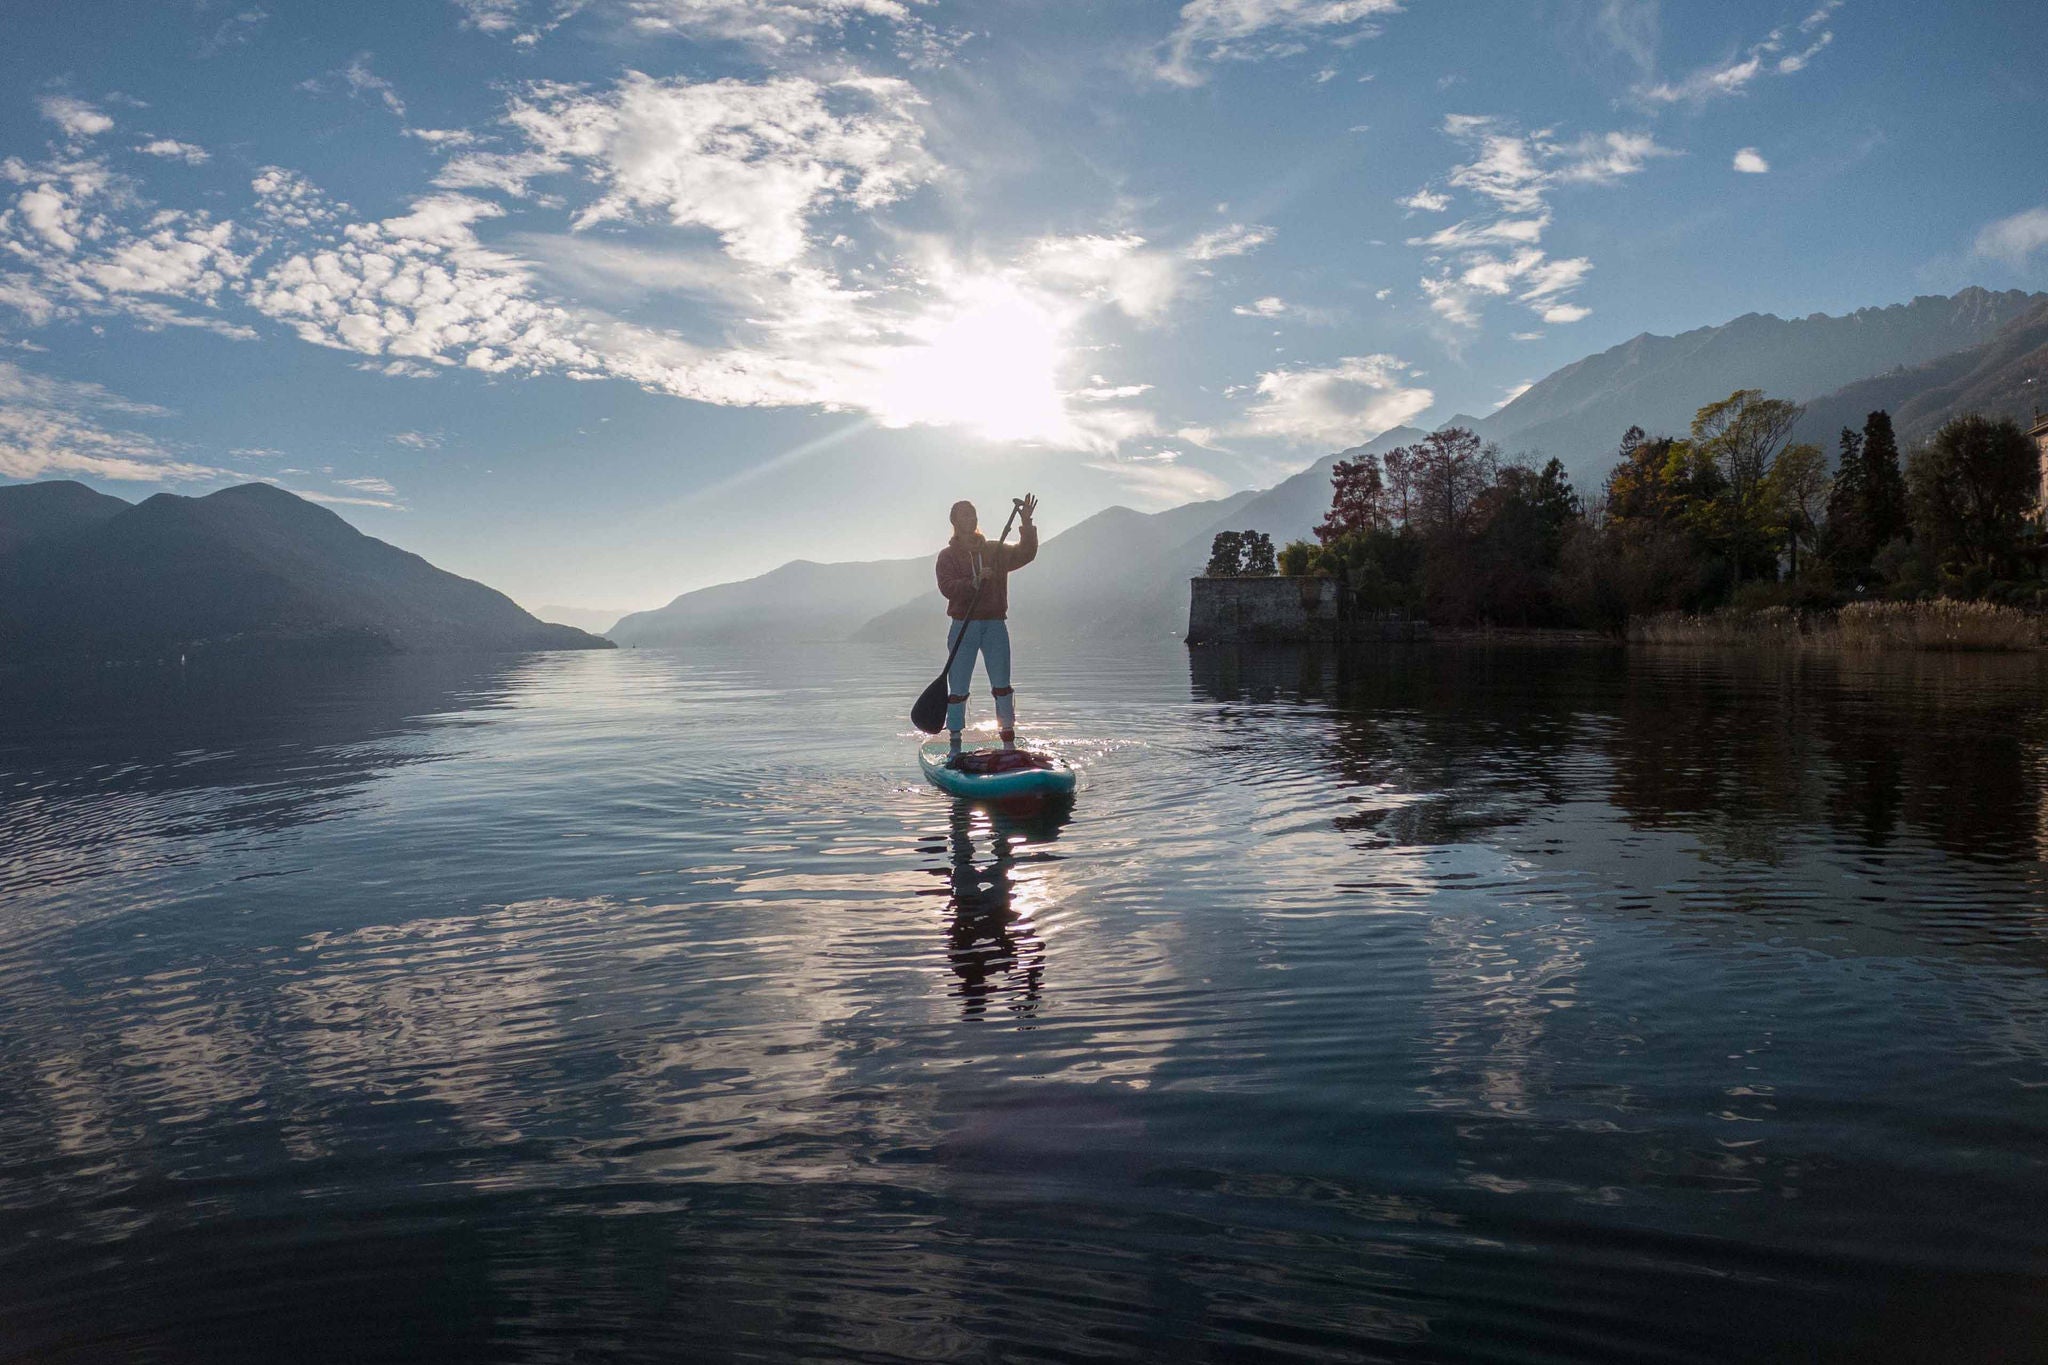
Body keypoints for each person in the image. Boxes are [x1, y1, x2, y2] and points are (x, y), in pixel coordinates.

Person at [935, 494, 1037, 759]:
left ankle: (1008, 743)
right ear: (955, 521)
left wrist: (1026, 524)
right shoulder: (947, 556)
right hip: (963, 625)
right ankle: (955, 742)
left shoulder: (995, 550)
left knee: (1002, 684)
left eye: (973, 513)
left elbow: (1026, 554)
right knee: (958, 687)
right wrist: (974, 581)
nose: (970, 518)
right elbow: (947, 588)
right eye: (964, 514)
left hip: (994, 624)